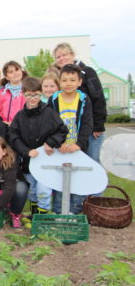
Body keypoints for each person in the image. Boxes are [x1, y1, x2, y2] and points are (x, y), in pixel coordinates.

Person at [9, 77, 68, 215]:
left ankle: (43, 216)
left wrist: (51, 142)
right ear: (23, 94)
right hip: (28, 161)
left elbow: (62, 131)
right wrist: (26, 151)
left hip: (46, 161)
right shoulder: (20, 116)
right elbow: (13, 136)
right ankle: (34, 215)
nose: (32, 98)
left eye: (36, 94)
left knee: (44, 190)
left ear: (40, 94)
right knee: (32, 190)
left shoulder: (49, 113)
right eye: (29, 95)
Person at [49, 64, 93, 214]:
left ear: (79, 82)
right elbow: (51, 124)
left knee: (78, 179)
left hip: (77, 148)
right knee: (60, 179)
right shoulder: (54, 99)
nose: (68, 83)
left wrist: (79, 144)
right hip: (60, 148)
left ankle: (75, 210)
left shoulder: (84, 99)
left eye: (72, 80)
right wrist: (57, 143)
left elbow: (87, 123)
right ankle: (58, 210)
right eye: (65, 80)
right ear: (60, 82)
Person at [53, 42, 107, 163]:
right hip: (73, 130)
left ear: (72, 54)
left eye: (64, 55)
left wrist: (98, 125)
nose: (61, 58)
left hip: (92, 129)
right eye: (58, 57)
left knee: (92, 163)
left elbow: (98, 98)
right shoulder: (59, 76)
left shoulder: (87, 72)